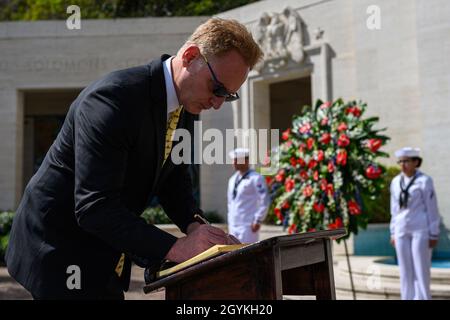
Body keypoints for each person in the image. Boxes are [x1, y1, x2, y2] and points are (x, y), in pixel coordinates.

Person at [6, 18, 263, 299]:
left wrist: (199, 230)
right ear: (190, 56)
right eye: (217, 88)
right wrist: (178, 248)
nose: (217, 103)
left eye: (229, 96)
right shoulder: (112, 99)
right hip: (58, 246)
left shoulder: (186, 106)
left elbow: (173, 181)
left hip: (104, 248)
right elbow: (94, 207)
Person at [390, 147, 441, 300]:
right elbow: (393, 209)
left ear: (416, 162)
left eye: (406, 161)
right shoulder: (395, 181)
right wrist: (392, 231)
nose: (403, 165)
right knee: (405, 271)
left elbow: (432, 208)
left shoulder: (424, 181)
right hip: (401, 229)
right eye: (401, 161)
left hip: (420, 229)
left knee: (421, 269)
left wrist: (434, 232)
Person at [227, 148, 270, 243]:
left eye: (236, 160)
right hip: (234, 225)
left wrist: (258, 220)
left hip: (248, 226)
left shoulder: (256, 178)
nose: (233, 162)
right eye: (233, 160)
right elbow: (230, 203)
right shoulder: (232, 179)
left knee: (248, 253)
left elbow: (264, 201)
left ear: (246, 161)